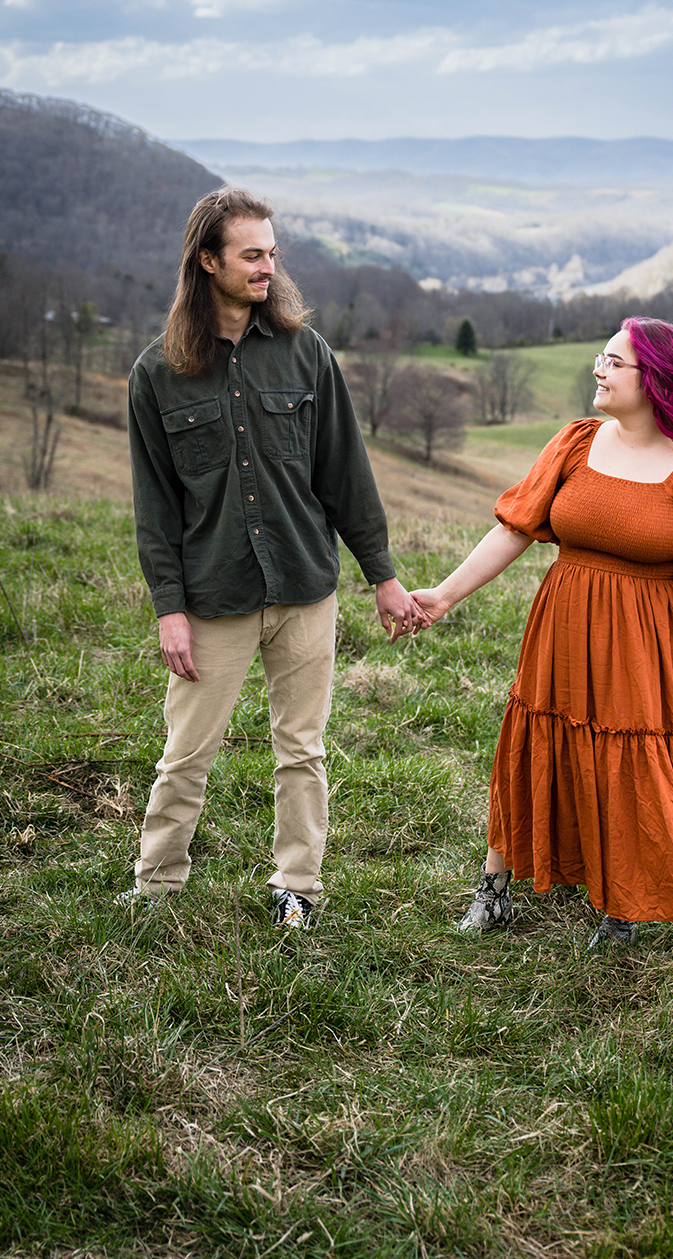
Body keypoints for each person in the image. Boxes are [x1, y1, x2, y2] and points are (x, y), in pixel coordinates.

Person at [414, 317, 673, 945]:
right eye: (600, 359)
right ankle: (495, 891)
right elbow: (515, 529)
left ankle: (624, 905)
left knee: (631, 762)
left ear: (656, 379)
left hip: (650, 648)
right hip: (564, 632)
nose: (598, 371)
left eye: (613, 362)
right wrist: (443, 596)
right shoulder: (576, 443)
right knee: (536, 745)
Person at [120, 186, 425, 925]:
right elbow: (155, 508)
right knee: (187, 752)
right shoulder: (157, 374)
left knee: (302, 750)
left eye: (272, 253)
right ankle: (157, 884)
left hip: (304, 586)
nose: (268, 267)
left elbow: (344, 472)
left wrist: (382, 577)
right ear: (207, 260)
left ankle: (299, 888)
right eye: (252, 255)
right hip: (211, 593)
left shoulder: (305, 351)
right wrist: (169, 610)